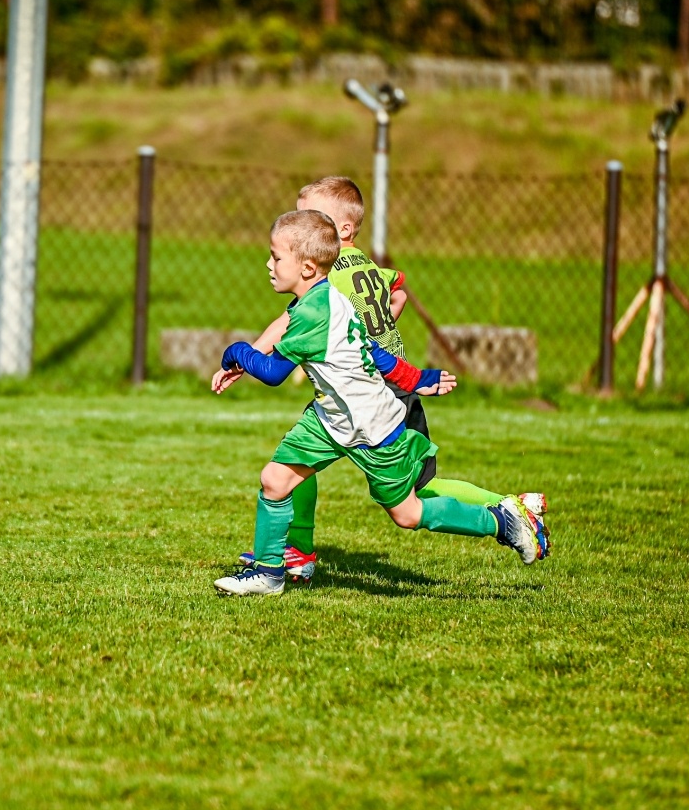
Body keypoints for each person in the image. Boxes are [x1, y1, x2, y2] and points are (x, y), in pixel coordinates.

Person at [221, 177, 546, 580]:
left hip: (373, 394)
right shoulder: (367, 268)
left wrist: (245, 354)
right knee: (290, 465)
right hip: (377, 381)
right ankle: (292, 553)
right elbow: (399, 295)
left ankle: (508, 510)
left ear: (340, 231)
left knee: (416, 499)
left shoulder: (329, 276)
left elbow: (288, 322)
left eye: (313, 217)